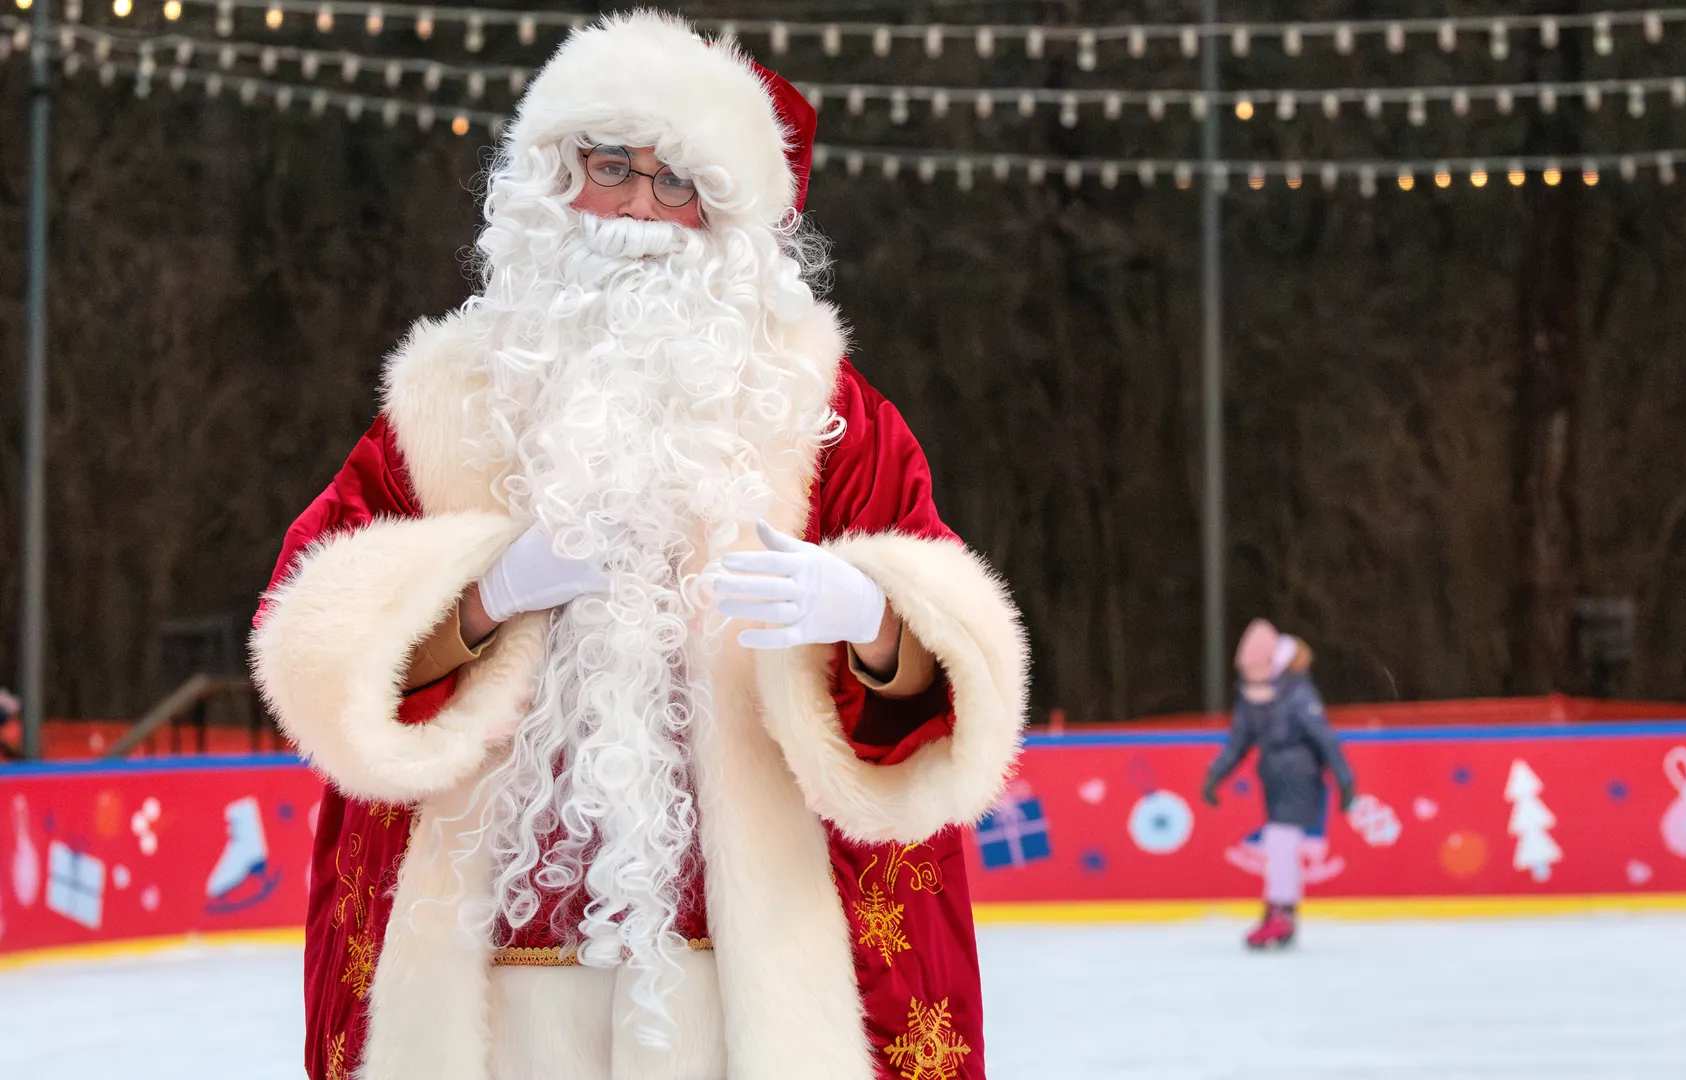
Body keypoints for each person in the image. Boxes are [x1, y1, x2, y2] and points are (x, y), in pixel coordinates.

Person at [248, 12, 1027, 1080]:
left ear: (735, 219)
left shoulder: (825, 417)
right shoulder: (444, 409)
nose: (639, 212)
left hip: (742, 997)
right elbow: (309, 635)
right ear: (550, 179)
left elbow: (955, 683)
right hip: (489, 998)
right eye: (611, 167)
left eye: (679, 184)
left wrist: (872, 620)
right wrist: (486, 595)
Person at [1201, 620, 1355, 949]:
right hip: (1271, 774)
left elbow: (1324, 737)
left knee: (1281, 841)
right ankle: (1280, 912)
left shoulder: (1297, 693)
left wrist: (1344, 779)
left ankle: (1281, 914)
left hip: (1300, 774)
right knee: (1277, 842)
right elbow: (1239, 741)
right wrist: (1216, 774)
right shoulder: (1250, 694)